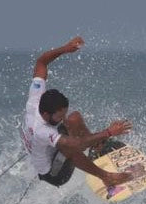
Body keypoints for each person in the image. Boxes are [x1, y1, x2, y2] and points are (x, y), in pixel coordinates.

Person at [20, 36, 133, 188]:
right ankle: (107, 177)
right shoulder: (42, 130)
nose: (61, 119)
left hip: (44, 145)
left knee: (74, 118)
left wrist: (64, 49)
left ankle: (97, 149)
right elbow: (77, 144)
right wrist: (109, 132)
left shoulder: (36, 98)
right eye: (59, 116)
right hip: (53, 173)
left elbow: (41, 62)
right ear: (46, 114)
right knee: (69, 147)